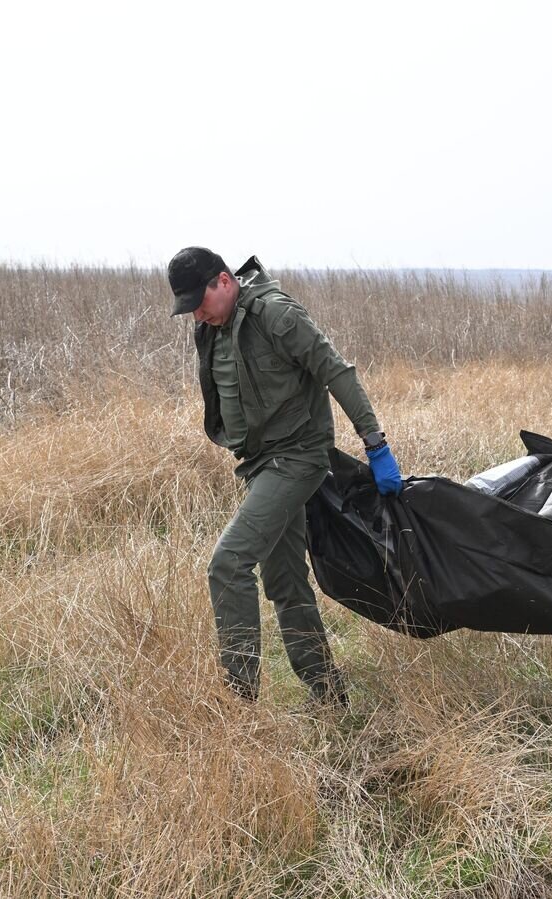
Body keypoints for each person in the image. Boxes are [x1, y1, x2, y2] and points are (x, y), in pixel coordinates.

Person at [168, 247, 403, 705]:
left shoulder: (276, 314)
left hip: (297, 457)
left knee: (228, 563)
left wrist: (376, 445)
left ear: (224, 280)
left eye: (200, 299)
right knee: (286, 581)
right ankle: (330, 695)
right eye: (189, 306)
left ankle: (239, 702)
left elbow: (336, 371)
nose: (196, 312)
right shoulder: (213, 327)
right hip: (260, 465)